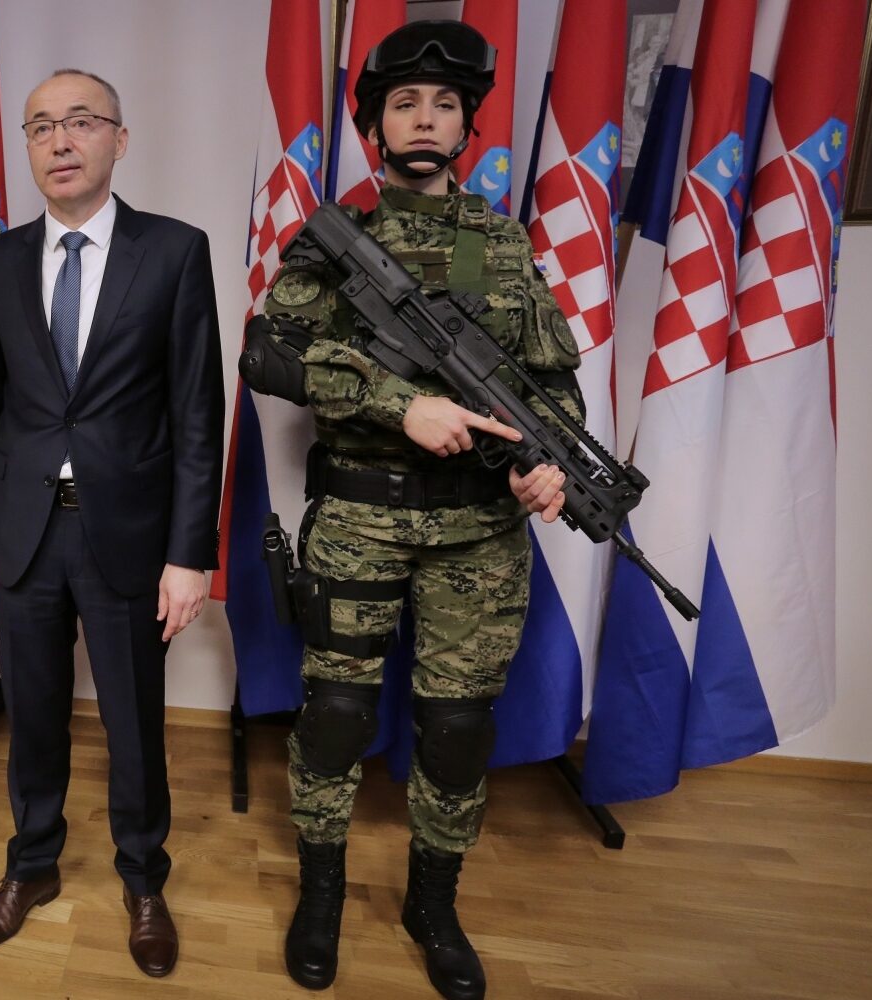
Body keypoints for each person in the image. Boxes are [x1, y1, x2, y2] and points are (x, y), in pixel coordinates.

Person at [248, 21, 582, 999]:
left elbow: (552, 382)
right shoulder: (336, 239)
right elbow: (269, 354)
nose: (425, 119)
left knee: (456, 728)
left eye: (443, 105)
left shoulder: (499, 244)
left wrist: (550, 463)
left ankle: (432, 906)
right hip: (360, 517)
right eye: (404, 104)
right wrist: (400, 404)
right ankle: (320, 894)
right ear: (374, 128)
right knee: (336, 715)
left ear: (467, 126)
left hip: (479, 533)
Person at [0, 69, 223, 978]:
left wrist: (190, 555)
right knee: (31, 716)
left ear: (119, 138)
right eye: (40, 128)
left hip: (129, 535)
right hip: (22, 533)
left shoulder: (175, 251)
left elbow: (197, 416)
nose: (60, 142)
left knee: (134, 723)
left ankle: (143, 880)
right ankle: (31, 866)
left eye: (80, 122)